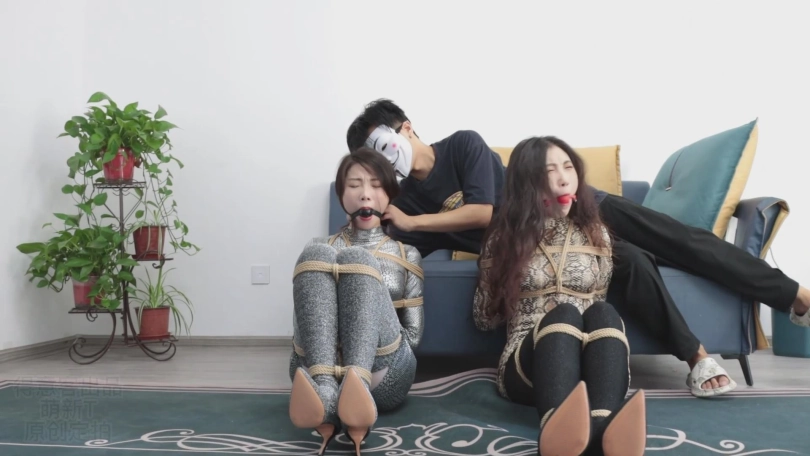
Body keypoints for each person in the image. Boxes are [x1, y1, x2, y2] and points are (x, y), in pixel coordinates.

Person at [345, 98, 810, 398]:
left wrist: (412, 220)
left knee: (680, 241)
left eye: (382, 144)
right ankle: (697, 357)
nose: (383, 158)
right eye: (370, 156)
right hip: (543, 249)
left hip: (583, 208)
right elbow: (391, 251)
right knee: (633, 261)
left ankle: (794, 296)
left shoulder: (461, 146)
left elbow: (484, 211)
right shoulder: (404, 202)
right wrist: (370, 214)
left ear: (406, 128)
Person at [473, 136, 646, 455]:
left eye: (568, 167)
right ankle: (559, 433)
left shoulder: (597, 233)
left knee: (604, 313)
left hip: (589, 366)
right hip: (528, 366)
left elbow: (600, 296)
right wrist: (505, 275)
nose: (564, 179)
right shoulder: (502, 238)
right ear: (526, 184)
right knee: (564, 313)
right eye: (549, 171)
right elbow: (484, 319)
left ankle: (601, 430)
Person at [288, 147, 424, 456]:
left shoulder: (407, 254)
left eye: (376, 185)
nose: (365, 194)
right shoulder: (320, 247)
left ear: (390, 195)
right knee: (315, 251)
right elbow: (300, 325)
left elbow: (413, 337)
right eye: (354, 185)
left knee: (357, 260)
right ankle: (326, 391)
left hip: (385, 370)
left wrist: (367, 328)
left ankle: (356, 387)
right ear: (341, 196)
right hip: (318, 365)